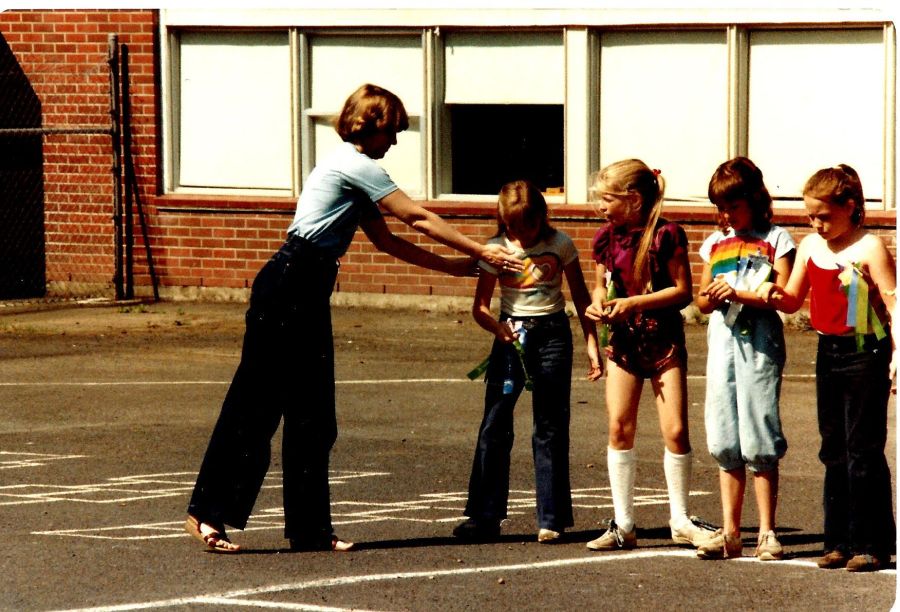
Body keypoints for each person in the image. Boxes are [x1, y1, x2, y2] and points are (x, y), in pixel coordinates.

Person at [184, 83, 523, 554]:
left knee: (314, 415)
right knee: (256, 403)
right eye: (393, 131)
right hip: (288, 282)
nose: (396, 142)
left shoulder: (357, 173)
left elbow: (388, 243)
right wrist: (479, 248)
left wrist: (453, 267)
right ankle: (207, 513)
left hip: (308, 286)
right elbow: (417, 217)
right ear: (372, 124)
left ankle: (310, 530)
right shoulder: (354, 165)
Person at [757, 164, 897, 572]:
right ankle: (837, 539)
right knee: (832, 448)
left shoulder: (870, 247)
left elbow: (892, 305)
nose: (817, 224)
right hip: (828, 351)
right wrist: (768, 291)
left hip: (865, 351)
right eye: (810, 216)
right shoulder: (810, 247)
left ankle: (871, 543)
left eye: (824, 216)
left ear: (850, 207)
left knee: (863, 449)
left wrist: (896, 358)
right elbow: (791, 298)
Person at [453, 180, 602, 544]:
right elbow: (480, 308)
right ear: (503, 222)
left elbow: (581, 296)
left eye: (527, 226)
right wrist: (497, 327)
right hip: (511, 336)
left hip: (552, 335)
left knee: (549, 425)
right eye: (512, 227)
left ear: (542, 217)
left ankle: (551, 517)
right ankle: (484, 516)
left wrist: (592, 343)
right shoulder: (495, 249)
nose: (520, 234)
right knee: (495, 423)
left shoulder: (560, 244)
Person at [584, 159, 714, 551]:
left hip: (662, 340)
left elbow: (682, 291)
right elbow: (598, 287)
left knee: (675, 429)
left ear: (634, 199)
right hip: (622, 342)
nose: (601, 207)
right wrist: (597, 306)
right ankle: (623, 523)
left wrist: (635, 302)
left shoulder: (666, 235)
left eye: (607, 199)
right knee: (619, 428)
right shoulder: (606, 238)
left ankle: (679, 519)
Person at [694, 157, 795, 561]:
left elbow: (785, 295)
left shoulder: (777, 239)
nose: (726, 215)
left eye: (733, 207)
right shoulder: (714, 244)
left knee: (759, 431)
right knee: (723, 433)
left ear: (754, 199)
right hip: (722, 342)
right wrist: (714, 295)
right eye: (721, 208)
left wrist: (742, 295)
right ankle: (731, 531)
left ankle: (767, 532)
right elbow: (701, 300)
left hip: (759, 344)